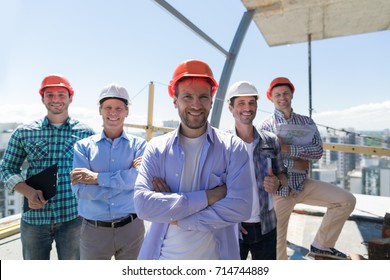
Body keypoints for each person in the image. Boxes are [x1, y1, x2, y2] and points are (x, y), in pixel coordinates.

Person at [134, 59, 252, 260]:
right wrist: (209, 196)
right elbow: (143, 206)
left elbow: (241, 207)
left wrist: (175, 215)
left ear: (212, 101)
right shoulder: (156, 148)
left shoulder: (233, 148)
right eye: (187, 96)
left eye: (203, 97)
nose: (196, 104)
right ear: (175, 100)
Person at [0, 74, 95, 260]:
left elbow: (97, 171)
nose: (56, 99)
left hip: (73, 218)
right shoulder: (24, 132)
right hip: (34, 220)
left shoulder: (86, 133)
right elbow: (6, 169)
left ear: (70, 98)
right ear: (42, 98)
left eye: (61, 94)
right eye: (50, 94)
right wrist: (27, 192)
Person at [261, 77, 356, 260]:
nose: (282, 97)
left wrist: (287, 149)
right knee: (276, 244)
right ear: (271, 98)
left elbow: (318, 152)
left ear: (292, 95)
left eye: (286, 93)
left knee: (346, 200)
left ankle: (322, 245)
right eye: (277, 94)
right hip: (281, 192)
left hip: (302, 184)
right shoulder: (265, 126)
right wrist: (298, 161)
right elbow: (266, 160)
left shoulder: (306, 122)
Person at [70, 83, 146, 260]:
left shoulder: (140, 145)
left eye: (119, 108)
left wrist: (97, 178)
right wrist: (125, 184)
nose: (113, 112)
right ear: (100, 111)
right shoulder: (83, 147)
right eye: (108, 107)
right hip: (93, 232)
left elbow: (140, 180)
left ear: (126, 112)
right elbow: (81, 190)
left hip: (132, 229)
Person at [226, 81, 288, 260]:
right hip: (233, 229)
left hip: (267, 227)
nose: (247, 108)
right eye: (241, 103)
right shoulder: (221, 145)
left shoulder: (270, 140)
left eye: (251, 102)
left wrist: (277, 182)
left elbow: (283, 175)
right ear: (231, 108)